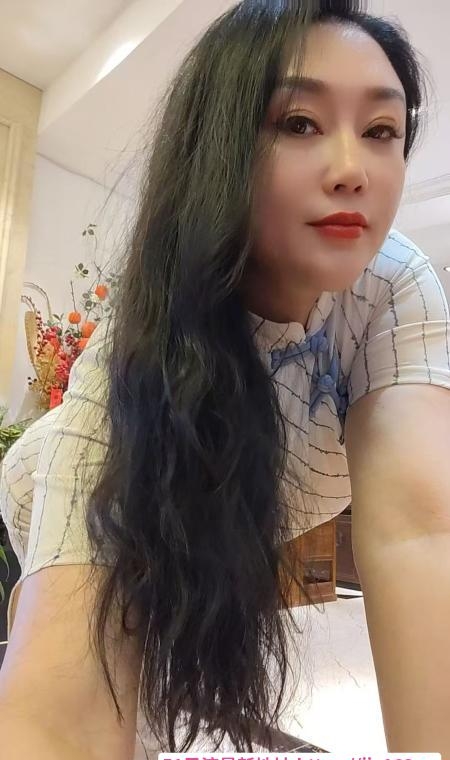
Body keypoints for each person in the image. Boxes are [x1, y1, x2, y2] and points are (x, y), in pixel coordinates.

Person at [1, 1, 450, 757]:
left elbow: (419, 531)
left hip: (233, 516)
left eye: (382, 130)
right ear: (220, 149)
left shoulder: (396, 286)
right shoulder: (137, 348)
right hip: (46, 484)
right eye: (299, 123)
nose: (353, 171)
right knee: (111, 687)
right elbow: (57, 723)